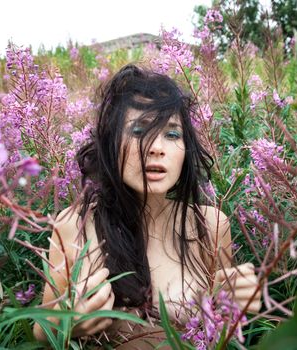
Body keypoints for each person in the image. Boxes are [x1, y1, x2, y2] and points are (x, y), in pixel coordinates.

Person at [33, 64, 261, 347]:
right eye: (139, 130)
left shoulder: (211, 225)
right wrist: (65, 321)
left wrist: (237, 302)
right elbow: (41, 332)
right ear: (111, 143)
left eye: (172, 134)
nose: (157, 147)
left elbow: (221, 331)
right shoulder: (73, 226)